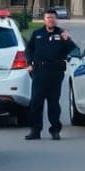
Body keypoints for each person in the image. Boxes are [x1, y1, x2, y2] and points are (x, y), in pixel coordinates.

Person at [24, 8, 77, 140]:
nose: (50, 20)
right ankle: (35, 130)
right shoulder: (37, 34)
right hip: (39, 72)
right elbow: (29, 49)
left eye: (52, 18)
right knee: (36, 102)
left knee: (53, 103)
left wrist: (67, 40)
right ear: (44, 20)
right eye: (48, 18)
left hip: (55, 72)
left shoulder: (62, 34)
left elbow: (74, 49)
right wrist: (29, 63)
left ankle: (55, 130)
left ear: (56, 19)